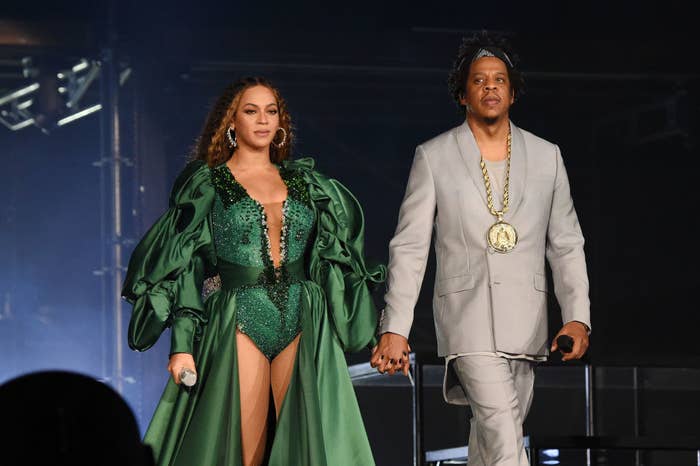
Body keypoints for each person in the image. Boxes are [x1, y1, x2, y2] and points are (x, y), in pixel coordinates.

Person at [121, 76, 386, 466]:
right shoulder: (209, 184)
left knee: (304, 443)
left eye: (271, 111)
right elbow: (183, 265)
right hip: (238, 315)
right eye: (251, 111)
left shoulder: (307, 183)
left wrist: (371, 327)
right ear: (231, 122)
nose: (263, 120)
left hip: (303, 313)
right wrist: (181, 345)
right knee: (245, 451)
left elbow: (338, 258)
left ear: (281, 122)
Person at [370, 31, 591, 466]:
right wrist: (395, 326)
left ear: (512, 92)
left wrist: (577, 318)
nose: (490, 86)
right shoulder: (433, 156)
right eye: (479, 80)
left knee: (492, 436)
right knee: (503, 431)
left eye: (499, 80)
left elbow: (566, 244)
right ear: (462, 94)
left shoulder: (547, 157)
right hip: (465, 317)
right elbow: (410, 246)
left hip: (528, 323)